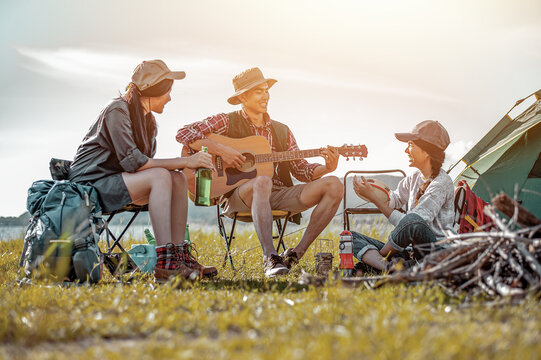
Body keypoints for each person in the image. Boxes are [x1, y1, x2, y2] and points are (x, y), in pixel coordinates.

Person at [176, 67, 344, 277]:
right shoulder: (226, 121)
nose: (265, 95)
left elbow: (302, 170)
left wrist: (328, 167)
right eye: (258, 91)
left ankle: (294, 254)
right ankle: (270, 257)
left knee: (334, 184)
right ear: (242, 97)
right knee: (262, 181)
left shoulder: (281, 130)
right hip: (238, 196)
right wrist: (222, 151)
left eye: (266, 90)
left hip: (277, 194)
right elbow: (184, 133)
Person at [69, 59, 217, 281]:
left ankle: (178, 257)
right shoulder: (117, 110)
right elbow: (135, 163)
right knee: (161, 175)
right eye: (167, 91)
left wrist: (181, 165)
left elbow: (142, 166)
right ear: (153, 90)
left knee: (176, 179)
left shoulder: (149, 122)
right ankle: (165, 263)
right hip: (89, 187)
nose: (170, 98)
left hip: (118, 182)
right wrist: (186, 160)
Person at [351, 120, 454, 273]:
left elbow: (411, 224)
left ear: (426, 152)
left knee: (412, 220)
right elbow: (395, 199)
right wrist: (374, 189)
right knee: (348, 237)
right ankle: (389, 268)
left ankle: (378, 260)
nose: (406, 150)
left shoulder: (441, 184)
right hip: (409, 251)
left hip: (435, 251)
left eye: (411, 145)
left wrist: (375, 199)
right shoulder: (414, 178)